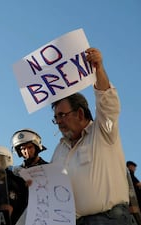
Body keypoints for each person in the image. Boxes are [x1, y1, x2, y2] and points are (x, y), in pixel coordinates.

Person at [50, 48, 133, 225]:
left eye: (62, 115)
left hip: (110, 220)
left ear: (80, 114)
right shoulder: (59, 150)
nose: (58, 122)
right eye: (55, 118)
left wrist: (98, 69)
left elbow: (107, 102)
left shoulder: (103, 131)